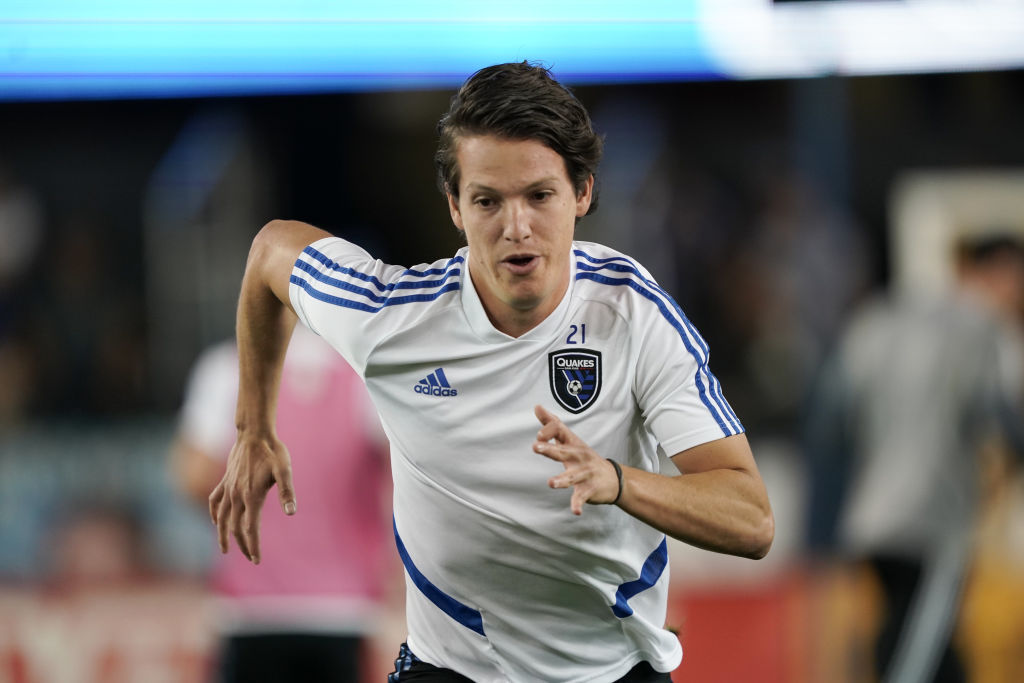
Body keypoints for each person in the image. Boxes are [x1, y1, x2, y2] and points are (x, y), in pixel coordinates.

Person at [210, 62, 774, 683]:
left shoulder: (632, 315)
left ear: (582, 193)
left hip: (612, 667)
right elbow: (271, 252)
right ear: (455, 206)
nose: (516, 227)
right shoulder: (393, 317)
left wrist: (617, 482)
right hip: (450, 668)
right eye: (488, 201)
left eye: (539, 195)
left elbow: (751, 519)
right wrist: (253, 428)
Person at [804, 232, 1024, 683]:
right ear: (996, 273)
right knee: (916, 655)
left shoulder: (877, 320)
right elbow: (1002, 414)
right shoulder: (984, 328)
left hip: (871, 514)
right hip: (933, 520)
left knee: (925, 642)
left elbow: (828, 417)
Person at [174, 324, 394, 683]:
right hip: (343, 612)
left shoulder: (227, 369)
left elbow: (194, 478)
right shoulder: (364, 368)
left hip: (251, 611)